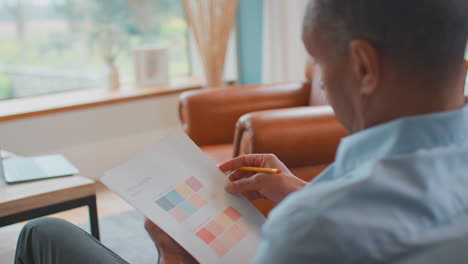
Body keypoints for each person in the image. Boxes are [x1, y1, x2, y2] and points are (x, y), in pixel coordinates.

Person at [15, 0, 468, 263]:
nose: (322, 83)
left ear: (364, 67)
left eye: (319, 63)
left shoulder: (315, 229)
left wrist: (177, 258)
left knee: (44, 234)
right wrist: (301, 191)